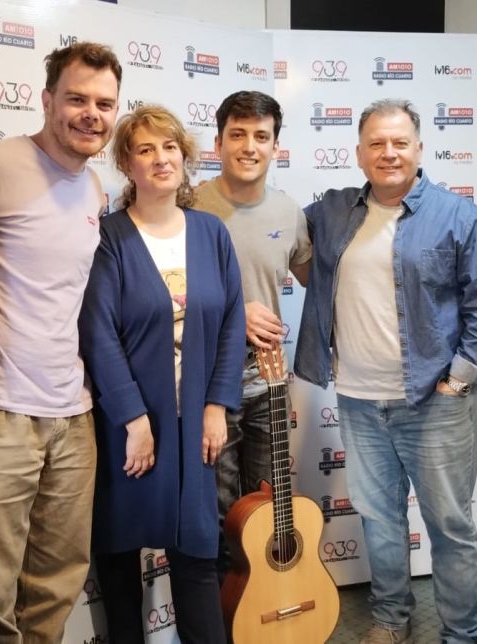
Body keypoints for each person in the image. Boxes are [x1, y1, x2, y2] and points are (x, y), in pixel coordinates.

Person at [294, 99, 477, 644]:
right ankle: (392, 619)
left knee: (450, 528)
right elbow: (271, 225)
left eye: (399, 143)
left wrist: (458, 379)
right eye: (376, 144)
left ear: (418, 148)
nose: (388, 153)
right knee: (379, 523)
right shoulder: (332, 211)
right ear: (360, 153)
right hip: (360, 401)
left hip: (435, 402)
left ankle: (461, 633)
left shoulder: (459, 216)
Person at [0, 42, 121, 643]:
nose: (90, 114)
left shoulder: (95, 186)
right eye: (76, 98)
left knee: (58, 577)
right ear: (47, 99)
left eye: (104, 103)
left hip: (73, 412)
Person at [79, 105, 245, 644]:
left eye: (169, 147)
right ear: (126, 163)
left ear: (185, 155)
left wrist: (217, 406)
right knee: (121, 553)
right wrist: (133, 419)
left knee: (196, 551)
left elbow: (231, 324)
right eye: (145, 149)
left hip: (195, 421)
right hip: (130, 427)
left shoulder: (210, 233)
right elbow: (98, 332)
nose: (160, 159)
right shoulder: (109, 238)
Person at [193, 90, 311, 576]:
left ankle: (270, 602)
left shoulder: (290, 212)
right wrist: (234, 312)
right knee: (219, 512)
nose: (249, 146)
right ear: (217, 142)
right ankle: (226, 612)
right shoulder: (188, 204)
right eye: (237, 134)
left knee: (268, 508)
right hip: (205, 381)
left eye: (261, 136)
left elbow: (317, 281)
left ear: (276, 147)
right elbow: (160, 288)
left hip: (268, 378)